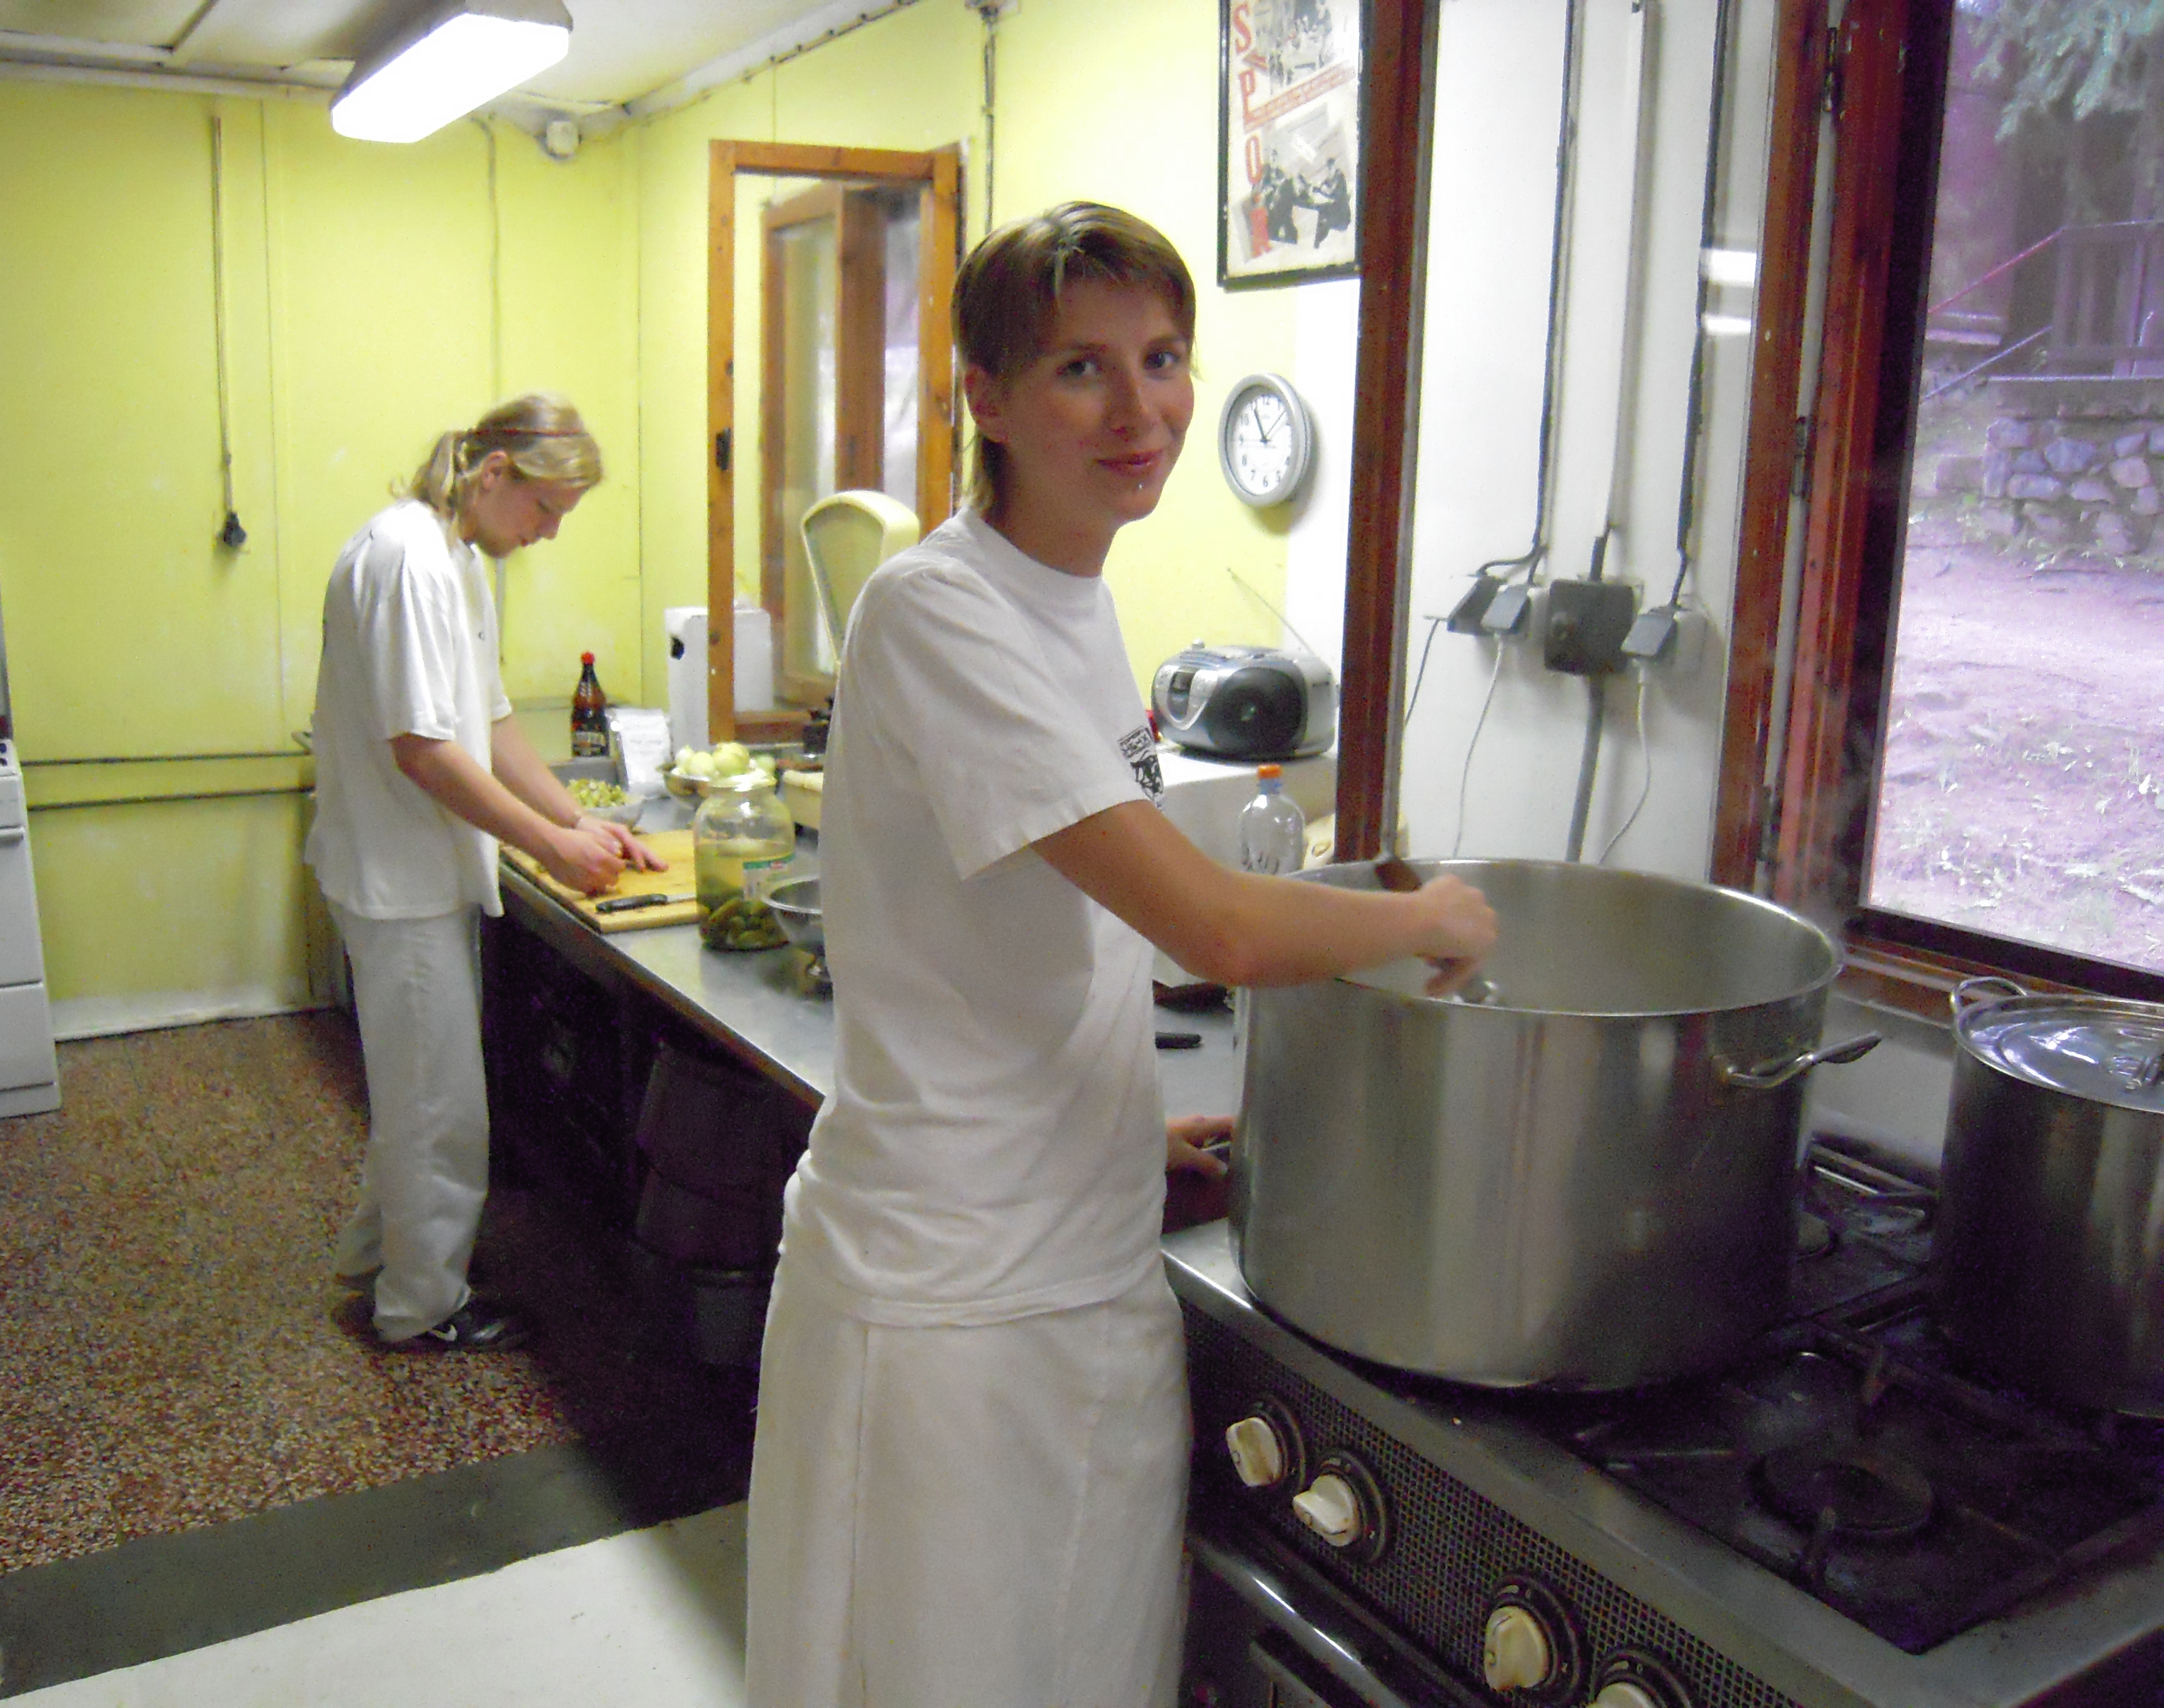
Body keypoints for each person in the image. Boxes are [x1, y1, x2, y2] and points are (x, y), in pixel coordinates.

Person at [742, 204, 1496, 1706]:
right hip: (955, 1302)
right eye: (1080, 369)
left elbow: (1047, 943)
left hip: (1073, 1249)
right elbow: (1213, 924)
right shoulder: (938, 611)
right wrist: (1433, 919)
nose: (1138, 409)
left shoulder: (1073, 601)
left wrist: (1120, 1131)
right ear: (987, 397)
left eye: (1161, 358)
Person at [306, 394, 655, 1352]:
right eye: (545, 509)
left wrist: (576, 819)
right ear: (494, 473)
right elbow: (425, 750)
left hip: (419, 871)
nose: (548, 533)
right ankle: (422, 1308)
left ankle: (379, 1261)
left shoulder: (455, 559)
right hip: (398, 877)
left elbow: (489, 721)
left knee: (417, 1088)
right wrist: (549, 847)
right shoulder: (409, 560)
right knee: (439, 1107)